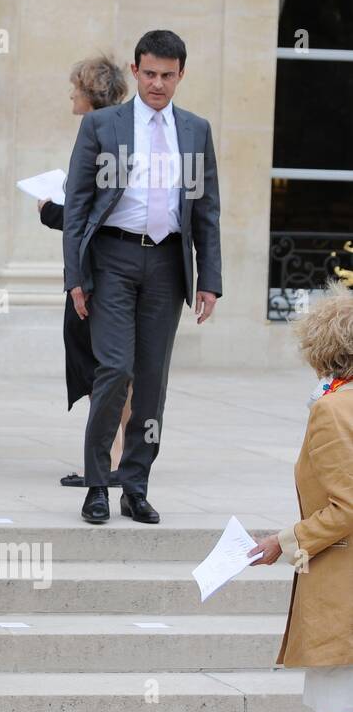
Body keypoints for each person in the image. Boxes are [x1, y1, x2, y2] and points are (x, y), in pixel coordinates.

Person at [63, 30, 222, 525]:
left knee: (152, 381)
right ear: (135, 72)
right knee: (114, 370)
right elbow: (77, 206)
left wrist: (209, 278)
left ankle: (135, 485)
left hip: (167, 265)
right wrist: (76, 275)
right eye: (149, 73)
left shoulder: (195, 130)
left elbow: (207, 211)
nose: (157, 83)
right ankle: (97, 484)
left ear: (181, 75)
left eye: (167, 75)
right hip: (112, 257)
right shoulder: (102, 125)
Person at [249, 282, 353, 712]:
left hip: (345, 582)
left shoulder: (333, 410)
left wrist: (283, 542)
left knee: (343, 704)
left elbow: (348, 506)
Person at [38, 55, 129, 486]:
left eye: (75, 86)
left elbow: (95, 210)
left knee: (103, 366)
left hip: (98, 269)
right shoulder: (117, 129)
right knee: (111, 366)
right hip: (102, 265)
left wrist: (52, 211)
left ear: (90, 94)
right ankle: (119, 453)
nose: (70, 93)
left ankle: (109, 458)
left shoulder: (103, 131)